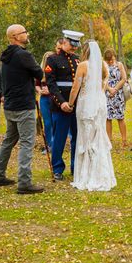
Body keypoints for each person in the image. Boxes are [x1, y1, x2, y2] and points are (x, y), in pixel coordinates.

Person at [0, 24, 44, 194]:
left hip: (10, 105)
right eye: (24, 32)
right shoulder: (23, 54)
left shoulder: (6, 55)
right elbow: (39, 73)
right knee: (27, 143)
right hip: (23, 105)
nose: (27, 34)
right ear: (14, 36)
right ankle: (24, 182)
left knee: (9, 140)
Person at [66, 41, 117, 191]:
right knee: (98, 135)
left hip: (86, 103)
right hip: (100, 103)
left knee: (86, 137)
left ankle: (88, 176)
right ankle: (102, 173)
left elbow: (76, 87)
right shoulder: (103, 66)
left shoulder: (83, 65)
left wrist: (70, 103)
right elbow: (103, 86)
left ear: (86, 50)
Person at [46, 31, 83, 180]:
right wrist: (61, 103)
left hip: (77, 105)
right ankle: (57, 168)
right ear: (63, 43)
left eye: (76, 46)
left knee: (77, 138)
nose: (74, 49)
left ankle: (76, 167)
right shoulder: (52, 59)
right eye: (71, 45)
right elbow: (51, 84)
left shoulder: (78, 60)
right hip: (60, 105)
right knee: (59, 138)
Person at [104, 48, 128, 148]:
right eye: (108, 60)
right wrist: (109, 89)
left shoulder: (119, 65)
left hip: (118, 94)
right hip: (106, 93)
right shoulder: (102, 65)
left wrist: (115, 89)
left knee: (120, 117)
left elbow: (124, 78)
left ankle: (124, 140)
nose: (110, 61)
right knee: (108, 118)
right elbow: (100, 79)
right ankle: (108, 140)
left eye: (112, 59)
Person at [36, 50, 55, 152]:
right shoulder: (41, 72)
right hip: (44, 99)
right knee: (47, 122)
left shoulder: (57, 70)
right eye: (47, 58)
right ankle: (49, 145)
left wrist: (50, 90)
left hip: (55, 98)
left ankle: (57, 143)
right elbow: (37, 85)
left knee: (55, 121)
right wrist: (40, 91)